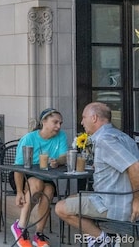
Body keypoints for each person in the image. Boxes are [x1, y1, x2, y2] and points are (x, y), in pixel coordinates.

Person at [55, 102, 139, 247]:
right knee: (72, 198)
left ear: (94, 118)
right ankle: (97, 239)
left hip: (115, 203)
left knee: (60, 208)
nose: (81, 122)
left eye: (83, 117)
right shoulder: (122, 136)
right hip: (113, 196)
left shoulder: (105, 140)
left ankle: (105, 241)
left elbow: (135, 166)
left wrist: (137, 201)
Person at [11, 108, 69, 247]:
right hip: (23, 174)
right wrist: (19, 192)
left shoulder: (61, 136)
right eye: (55, 122)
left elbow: (64, 156)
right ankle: (21, 228)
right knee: (37, 184)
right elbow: (18, 167)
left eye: (60, 123)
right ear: (44, 122)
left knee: (48, 190)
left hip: (45, 175)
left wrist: (58, 161)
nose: (58, 126)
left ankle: (39, 235)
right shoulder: (29, 138)